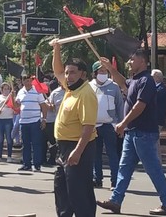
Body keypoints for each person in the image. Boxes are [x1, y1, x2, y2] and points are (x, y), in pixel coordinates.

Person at [97, 51, 166, 215]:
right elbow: (121, 82)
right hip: (132, 133)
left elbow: (140, 106)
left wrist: (123, 123)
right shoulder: (134, 80)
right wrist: (110, 69)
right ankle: (115, 201)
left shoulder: (146, 81)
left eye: (133, 59)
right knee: (124, 168)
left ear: (143, 61)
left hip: (144, 133)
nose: (129, 61)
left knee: (153, 169)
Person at [50, 39, 97, 217]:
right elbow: (57, 71)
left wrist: (77, 151)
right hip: (63, 147)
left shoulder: (86, 93)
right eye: (68, 73)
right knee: (61, 189)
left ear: (83, 74)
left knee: (79, 192)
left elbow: (88, 127)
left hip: (78, 147)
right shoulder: (70, 88)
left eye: (73, 73)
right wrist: (56, 49)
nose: (68, 76)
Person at [90, 60, 124, 189]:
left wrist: (121, 124)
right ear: (95, 73)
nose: (103, 73)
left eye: (105, 71)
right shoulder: (89, 87)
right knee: (95, 154)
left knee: (112, 154)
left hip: (110, 125)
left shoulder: (114, 86)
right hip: (94, 126)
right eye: (100, 71)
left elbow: (120, 106)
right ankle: (97, 178)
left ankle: (115, 180)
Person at [16, 76, 47, 172]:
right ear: (22, 81)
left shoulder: (37, 91)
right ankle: (27, 164)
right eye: (25, 80)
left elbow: (43, 106)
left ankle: (37, 164)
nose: (28, 82)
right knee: (25, 144)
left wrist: (44, 119)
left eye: (29, 80)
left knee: (36, 143)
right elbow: (16, 105)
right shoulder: (20, 92)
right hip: (24, 122)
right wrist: (13, 98)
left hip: (35, 121)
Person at [0, 83, 15, 163]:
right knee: (0, 139)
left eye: (8, 89)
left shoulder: (12, 98)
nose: (6, 90)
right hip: (0, 120)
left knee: (9, 139)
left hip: (9, 120)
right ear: (1, 90)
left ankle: (9, 156)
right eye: (4, 89)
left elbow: (15, 107)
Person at [151, 69, 166, 162]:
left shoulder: (162, 89)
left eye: (152, 76)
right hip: (153, 119)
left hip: (158, 119)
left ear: (157, 77)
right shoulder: (156, 88)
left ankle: (157, 161)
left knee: (155, 140)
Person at [44, 84, 63, 167]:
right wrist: (49, 106)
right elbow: (47, 105)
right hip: (57, 121)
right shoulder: (55, 93)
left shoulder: (74, 91)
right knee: (55, 142)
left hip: (71, 122)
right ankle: (54, 158)